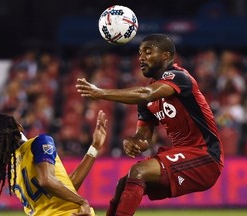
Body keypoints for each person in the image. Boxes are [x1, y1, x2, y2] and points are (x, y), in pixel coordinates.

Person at [76, 34, 224, 216]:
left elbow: (146, 93)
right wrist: (134, 142)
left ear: (166, 56)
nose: (141, 57)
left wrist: (100, 93)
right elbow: (144, 137)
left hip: (205, 156)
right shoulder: (146, 98)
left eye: (148, 52)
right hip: (184, 153)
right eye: (140, 53)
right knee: (123, 184)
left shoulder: (179, 77)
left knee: (138, 171)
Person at [0, 110, 107, 216]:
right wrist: (82, 201)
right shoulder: (39, 142)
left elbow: (65, 188)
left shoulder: (13, 168)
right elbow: (46, 180)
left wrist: (94, 148)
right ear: (20, 127)